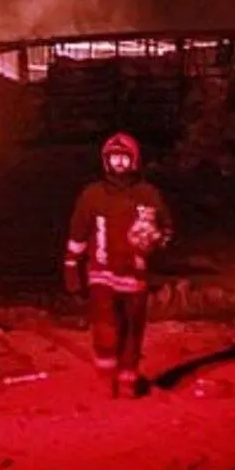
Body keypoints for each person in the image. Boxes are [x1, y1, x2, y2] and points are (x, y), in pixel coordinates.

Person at [62, 131, 174, 398]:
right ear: (106, 161)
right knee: (106, 324)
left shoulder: (148, 194)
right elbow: (78, 234)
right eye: (114, 158)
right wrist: (71, 271)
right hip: (101, 272)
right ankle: (106, 378)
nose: (119, 164)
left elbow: (167, 228)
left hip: (135, 275)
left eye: (124, 158)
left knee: (132, 329)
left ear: (134, 161)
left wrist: (155, 238)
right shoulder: (92, 195)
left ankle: (127, 378)